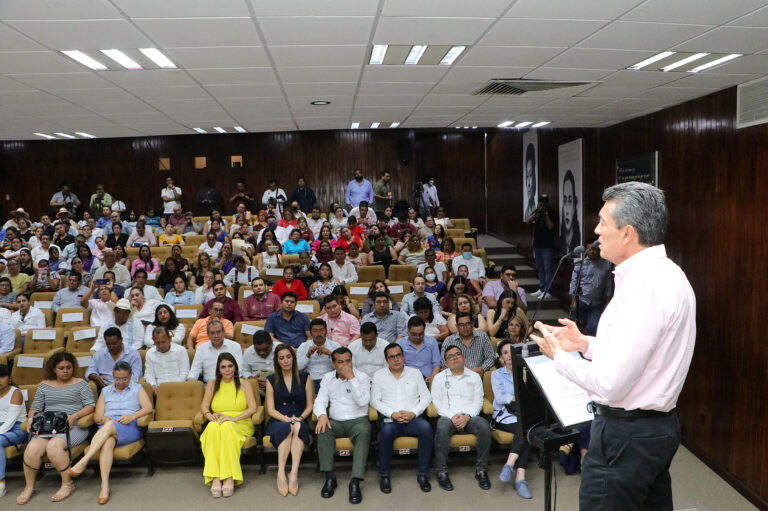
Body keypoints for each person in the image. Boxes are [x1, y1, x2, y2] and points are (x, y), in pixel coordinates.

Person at [532, 182, 696, 511]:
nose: (596, 230)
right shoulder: (664, 275)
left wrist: (561, 357)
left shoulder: (645, 289)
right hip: (651, 430)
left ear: (627, 234)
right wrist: (585, 344)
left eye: (603, 222)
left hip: (626, 436)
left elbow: (612, 383)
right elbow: (639, 353)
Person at [66, 361, 153, 504]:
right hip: (107, 429)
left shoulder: (137, 389)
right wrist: (103, 418)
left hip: (129, 427)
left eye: (124, 379)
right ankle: (105, 486)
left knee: (110, 425)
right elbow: (97, 417)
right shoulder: (106, 391)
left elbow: (148, 408)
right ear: (113, 377)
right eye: (117, 379)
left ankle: (84, 460)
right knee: (107, 443)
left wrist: (132, 416)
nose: (120, 382)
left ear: (130, 376)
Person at [17, 352, 95, 505]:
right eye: (61, 368)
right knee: (32, 448)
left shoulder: (81, 384)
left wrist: (75, 415)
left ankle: (67, 484)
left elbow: (90, 406)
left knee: (54, 446)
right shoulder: (44, 385)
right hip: (48, 427)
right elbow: (35, 408)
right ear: (54, 369)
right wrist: (31, 419)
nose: (65, 371)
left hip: (73, 426)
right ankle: (29, 486)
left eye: (68, 367)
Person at [370, 342, 433, 494]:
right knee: (385, 432)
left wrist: (413, 413)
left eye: (398, 355)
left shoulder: (415, 373)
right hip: (391, 419)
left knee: (427, 429)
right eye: (391, 357)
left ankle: (423, 474)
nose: (396, 359)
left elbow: (426, 397)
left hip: (413, 418)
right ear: (386, 360)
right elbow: (374, 400)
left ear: (403, 356)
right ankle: (384, 475)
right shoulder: (379, 375)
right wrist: (392, 413)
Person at [314, 347, 371, 504]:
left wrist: (351, 378)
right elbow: (320, 400)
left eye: (348, 361)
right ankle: (329, 476)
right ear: (333, 364)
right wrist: (322, 415)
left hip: (357, 419)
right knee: (322, 429)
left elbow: (363, 401)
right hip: (335, 420)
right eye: (340, 362)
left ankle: (355, 481)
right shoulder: (327, 378)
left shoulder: (363, 377)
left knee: (364, 431)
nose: (345, 365)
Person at [431, 345, 492, 492]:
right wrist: (453, 417)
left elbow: (479, 401)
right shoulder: (439, 378)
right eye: (450, 356)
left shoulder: (474, 376)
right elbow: (437, 402)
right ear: (445, 362)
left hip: (470, 415)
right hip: (447, 415)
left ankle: (481, 470)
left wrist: (467, 417)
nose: (455, 357)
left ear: (464, 357)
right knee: (442, 426)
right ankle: (442, 472)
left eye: (458, 354)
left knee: (484, 426)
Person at [199, 353, 257, 497]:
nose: (227, 370)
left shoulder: (244, 383)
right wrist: (209, 416)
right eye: (223, 367)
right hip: (219, 420)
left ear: (235, 367)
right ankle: (216, 478)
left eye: (230, 366)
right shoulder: (213, 384)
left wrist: (233, 418)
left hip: (240, 421)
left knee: (226, 427)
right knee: (211, 427)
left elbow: (252, 408)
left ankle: (229, 477)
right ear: (219, 369)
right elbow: (204, 407)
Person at [265, 343, 313, 496]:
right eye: (281, 358)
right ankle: (280, 472)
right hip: (278, 420)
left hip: (299, 417)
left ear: (293, 358)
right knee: (287, 427)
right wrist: (286, 419)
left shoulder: (305, 377)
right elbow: (270, 409)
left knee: (298, 427)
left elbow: (310, 405)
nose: (285, 361)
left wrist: (300, 418)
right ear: (277, 361)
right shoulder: (271, 380)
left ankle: (293, 473)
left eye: (288, 357)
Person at [491, 340, 533, 498]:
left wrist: (519, 397)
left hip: (522, 417)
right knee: (526, 430)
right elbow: (500, 398)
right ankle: (520, 478)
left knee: (525, 428)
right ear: (501, 358)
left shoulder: (525, 372)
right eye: (505, 353)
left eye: (512, 352)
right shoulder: (496, 374)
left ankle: (511, 466)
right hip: (505, 417)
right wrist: (516, 397)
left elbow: (531, 396)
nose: (509, 356)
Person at [569, 241, 613, 336]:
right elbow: (573, 283)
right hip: (581, 301)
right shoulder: (580, 264)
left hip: (596, 303)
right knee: (578, 327)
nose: (592, 252)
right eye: (590, 249)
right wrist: (573, 301)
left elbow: (609, 285)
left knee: (593, 327)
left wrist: (607, 302)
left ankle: (587, 348)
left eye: (595, 250)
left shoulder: (606, 264)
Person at [0, 364, 25, 498]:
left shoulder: (15, 392)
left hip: (17, 427)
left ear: (9, 378)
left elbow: (10, 421)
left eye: (2, 376)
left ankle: (1, 483)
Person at [526, 194, 556, 299]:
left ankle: (548, 291)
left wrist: (546, 214)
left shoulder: (551, 212)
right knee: (540, 268)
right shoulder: (537, 212)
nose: (543, 204)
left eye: (544, 202)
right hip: (537, 245)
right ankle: (542, 288)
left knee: (548, 269)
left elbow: (551, 226)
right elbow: (528, 221)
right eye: (541, 202)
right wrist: (537, 212)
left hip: (547, 245)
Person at [297, 319, 341, 391]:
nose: (319, 333)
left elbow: (341, 367)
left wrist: (330, 354)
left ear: (326, 332)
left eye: (321, 330)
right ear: (311, 333)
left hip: (330, 380)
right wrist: (308, 355)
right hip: (310, 380)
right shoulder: (304, 346)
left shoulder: (335, 346)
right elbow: (298, 367)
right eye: (315, 331)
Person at [144, 326, 191, 392]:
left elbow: (184, 372)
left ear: (170, 338)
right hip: (159, 389)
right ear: (153, 340)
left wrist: (177, 387)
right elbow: (149, 374)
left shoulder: (181, 350)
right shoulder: (150, 353)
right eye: (157, 342)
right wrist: (153, 385)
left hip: (178, 387)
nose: (161, 345)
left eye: (163, 342)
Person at [397, 316, 441, 383]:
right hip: (407, 381)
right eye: (414, 334)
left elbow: (436, 363)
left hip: (428, 380)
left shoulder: (432, 342)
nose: (418, 337)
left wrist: (433, 377)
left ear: (424, 330)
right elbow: (398, 365)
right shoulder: (401, 344)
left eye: (421, 334)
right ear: (408, 331)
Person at [559, 170, 581, 255]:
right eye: (564, 201)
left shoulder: (578, 239)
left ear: (574, 205)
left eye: (570, 201)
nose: (567, 210)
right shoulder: (561, 240)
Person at [523, 143, 538, 220]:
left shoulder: (536, 210)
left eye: (531, 175)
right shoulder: (526, 212)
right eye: (527, 176)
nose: (528, 184)